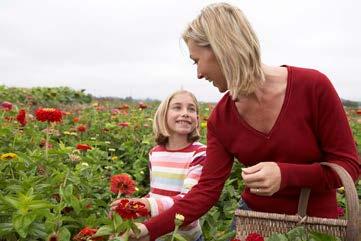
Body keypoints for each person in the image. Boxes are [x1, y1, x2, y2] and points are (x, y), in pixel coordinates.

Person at [133, 3, 361, 241]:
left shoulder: (313, 87)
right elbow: (205, 192)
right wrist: (148, 230)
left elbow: (349, 166)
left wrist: (285, 174)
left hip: (315, 226)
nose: (198, 74)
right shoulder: (221, 118)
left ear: (221, 48)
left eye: (196, 60)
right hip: (252, 224)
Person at [111, 90, 206, 241]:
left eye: (191, 109)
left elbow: (189, 199)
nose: (185, 113)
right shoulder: (155, 153)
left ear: (197, 119)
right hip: (157, 234)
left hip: (185, 236)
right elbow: (154, 194)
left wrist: (146, 204)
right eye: (177, 107)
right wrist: (132, 209)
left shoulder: (200, 153)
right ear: (163, 116)